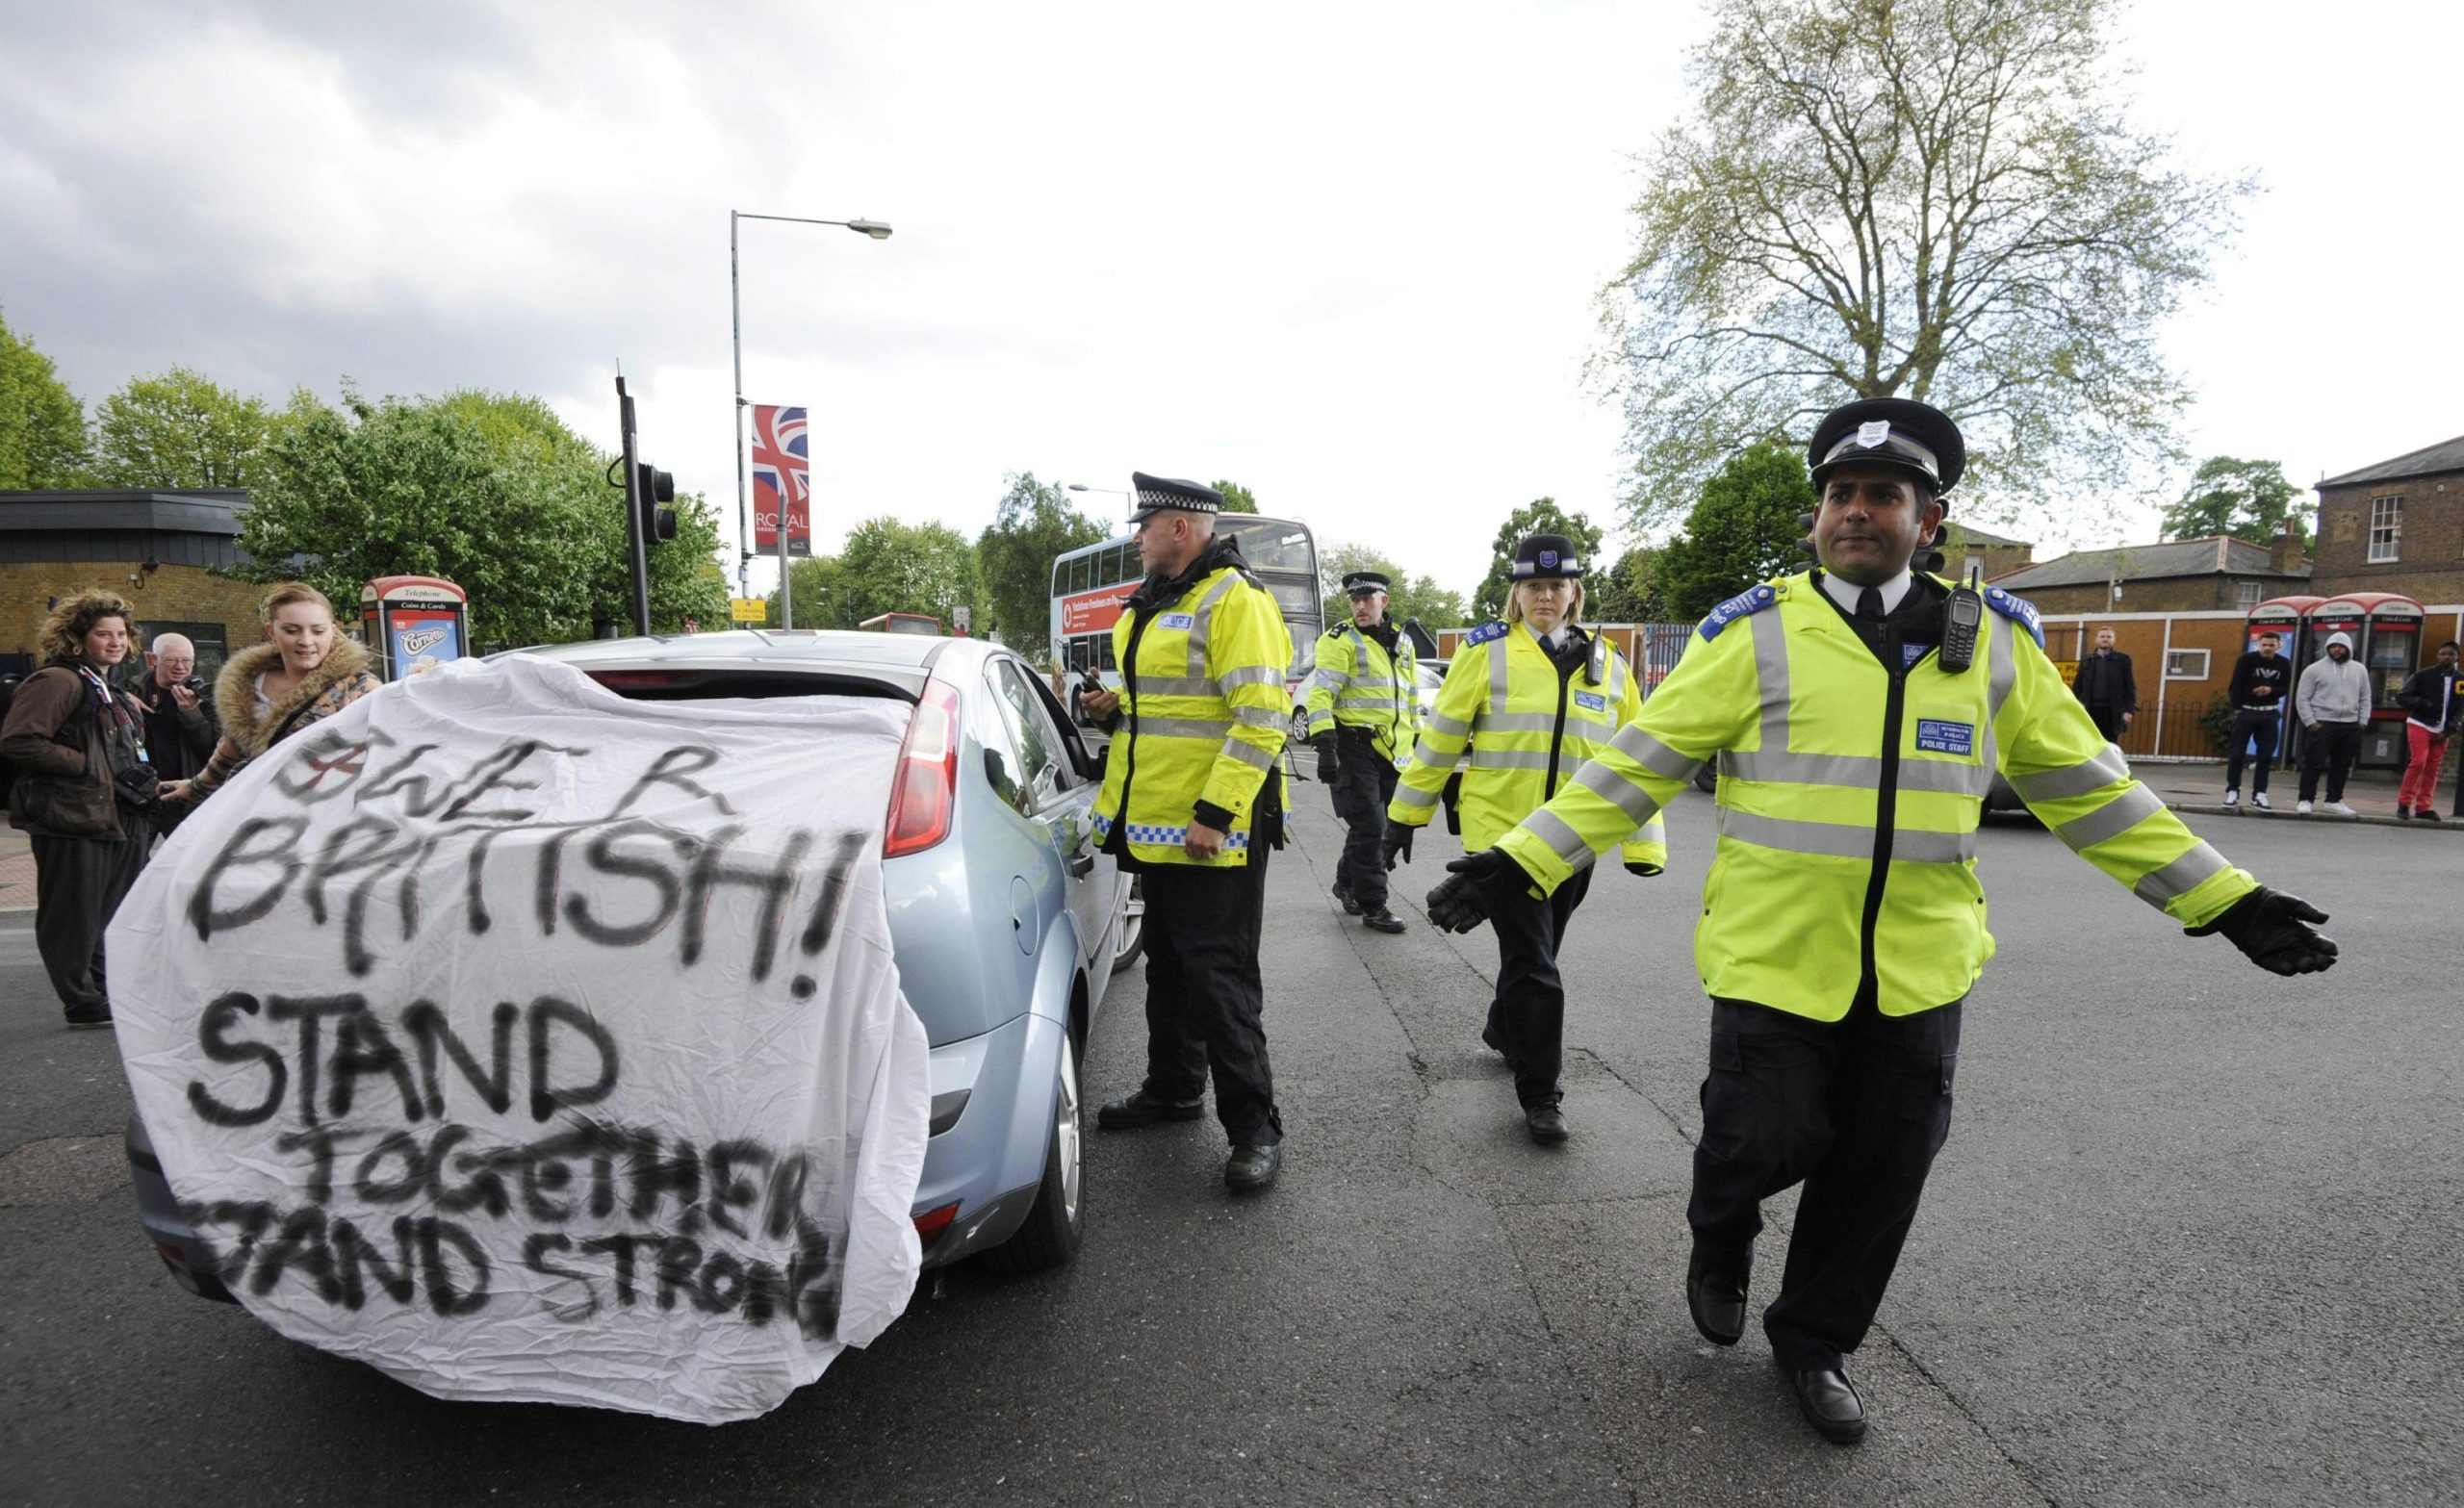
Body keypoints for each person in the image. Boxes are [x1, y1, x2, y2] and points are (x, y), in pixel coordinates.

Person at [1422, 396, 2336, 1445]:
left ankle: (1814, 1341)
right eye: (1840, 495)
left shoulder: (1991, 645)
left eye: (1883, 496)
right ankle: (1720, 1231)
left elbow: (2088, 789)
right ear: (1817, 516)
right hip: (1773, 955)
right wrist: (1522, 858)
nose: (1856, 511)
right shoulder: (1754, 633)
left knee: (1881, 1166)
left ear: (1927, 519)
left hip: (1919, 964)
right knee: (1750, 1139)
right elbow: (1640, 760)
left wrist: (2226, 898)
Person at [1385, 534, 1668, 1143]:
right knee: (1535, 964)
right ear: (1516, 594)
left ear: (1574, 593)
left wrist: (1644, 844)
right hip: (1503, 847)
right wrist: (1403, 815)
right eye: (1534, 586)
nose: (1546, 595)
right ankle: (1541, 1093)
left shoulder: (1610, 666)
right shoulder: (1486, 655)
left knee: (1534, 956)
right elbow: (1441, 738)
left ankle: (1504, 1029)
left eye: (1557, 585)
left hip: (1574, 845)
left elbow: (1636, 762)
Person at [1079, 473, 1294, 1193]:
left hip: (1212, 833)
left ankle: (1256, 1129)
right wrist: (1113, 712)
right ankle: (1173, 1089)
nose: (1136, 537)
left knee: (1220, 981)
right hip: (1157, 832)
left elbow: (1262, 716)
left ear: (1180, 527)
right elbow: (1165, 716)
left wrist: (1216, 812)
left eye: (1145, 525)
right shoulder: (1157, 600)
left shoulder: (1236, 599)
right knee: (1169, 972)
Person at [0, 591, 154, 1029]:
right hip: (71, 817)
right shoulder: (59, 681)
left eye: (121, 633)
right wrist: (88, 767)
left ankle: (103, 992)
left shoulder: (105, 684)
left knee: (109, 913)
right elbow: (19, 740)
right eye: (103, 634)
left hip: (112, 816)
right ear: (78, 637)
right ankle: (80, 1000)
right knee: (73, 915)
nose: (115, 642)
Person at [161, 582, 381, 807]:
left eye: (318, 631)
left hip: (330, 818)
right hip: (258, 817)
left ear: (332, 632)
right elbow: (233, 747)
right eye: (291, 630)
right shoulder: (247, 683)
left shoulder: (359, 689)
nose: (306, 641)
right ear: (271, 631)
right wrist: (197, 786)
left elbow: (390, 755)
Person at [1302, 570, 1420, 934]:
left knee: (1370, 828)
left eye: (1367, 600)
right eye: (1355, 600)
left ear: (1383, 601)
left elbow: (1410, 696)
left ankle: (1346, 883)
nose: (1360, 607)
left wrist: (1415, 742)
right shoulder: (1339, 640)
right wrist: (1324, 745)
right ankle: (1375, 905)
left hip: (1392, 751)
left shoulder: (1403, 642)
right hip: (1353, 747)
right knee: (1371, 825)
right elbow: (1320, 695)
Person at [124, 631, 219, 840]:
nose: (180, 667)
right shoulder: (130, 690)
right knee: (131, 865)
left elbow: (213, 749)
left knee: (188, 863)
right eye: (172, 660)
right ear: (152, 660)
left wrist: (192, 713)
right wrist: (120, 698)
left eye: (187, 661)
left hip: (184, 797)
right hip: (141, 796)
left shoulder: (205, 697)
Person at [2293, 630, 2370, 816]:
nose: (2337, 649)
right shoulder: (2313, 669)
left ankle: (2334, 800)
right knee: (2313, 763)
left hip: (2351, 724)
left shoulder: (2359, 669)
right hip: (2323, 723)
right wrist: (2311, 722)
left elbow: (2365, 696)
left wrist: (2363, 721)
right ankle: (2305, 799)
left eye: (2341, 646)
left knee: (2342, 765)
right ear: (2327, 648)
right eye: (2333, 646)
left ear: (2348, 648)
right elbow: (2302, 698)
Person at [2221, 631, 2293, 809]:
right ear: (2259, 645)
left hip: (2269, 713)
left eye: (2271, 645)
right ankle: (2233, 791)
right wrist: (2238, 708)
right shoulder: (2246, 660)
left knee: (2265, 756)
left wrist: (2271, 690)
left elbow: (2285, 687)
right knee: (2237, 754)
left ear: (2278, 645)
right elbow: (2235, 685)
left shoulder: (2283, 664)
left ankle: (2260, 794)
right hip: (2247, 711)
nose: (2267, 648)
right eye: (2264, 645)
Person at [2396, 640, 2459, 822]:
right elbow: (2402, 696)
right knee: (2419, 762)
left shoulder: (2460, 680)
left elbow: (2461, 708)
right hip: (2420, 723)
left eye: (2450, 654)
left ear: (2457, 657)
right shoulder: (2422, 676)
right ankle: (2404, 803)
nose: (2446, 657)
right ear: (2437, 656)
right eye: (2443, 653)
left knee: (2433, 767)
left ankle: (2424, 806)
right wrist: (2424, 705)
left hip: (2443, 729)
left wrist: (2449, 730)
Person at [2070, 626, 2137, 744]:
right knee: (2088, 742)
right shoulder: (2087, 660)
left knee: (2109, 744)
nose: (2105, 639)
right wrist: (2073, 708)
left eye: (2108, 637)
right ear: (2096, 640)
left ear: (2114, 640)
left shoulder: (2123, 660)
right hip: (2089, 709)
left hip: (2112, 711)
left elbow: (2130, 687)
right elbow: (2077, 687)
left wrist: (2129, 710)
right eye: (2102, 637)